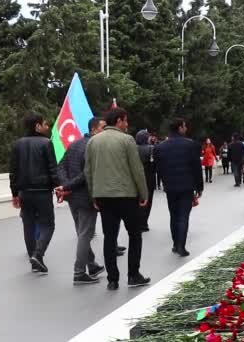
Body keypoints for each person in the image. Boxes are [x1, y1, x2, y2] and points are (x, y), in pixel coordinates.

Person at [85, 107, 150, 290]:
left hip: (103, 196)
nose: (127, 124)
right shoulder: (127, 140)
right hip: (126, 195)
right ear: (119, 121)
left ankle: (112, 280)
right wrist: (143, 194)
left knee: (109, 237)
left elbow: (88, 171)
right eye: (126, 121)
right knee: (134, 235)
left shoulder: (93, 142)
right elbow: (136, 170)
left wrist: (93, 195)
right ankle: (133, 275)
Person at [56, 117, 107, 285]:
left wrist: (64, 185)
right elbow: (87, 174)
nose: (105, 131)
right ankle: (79, 272)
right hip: (86, 196)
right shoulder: (94, 147)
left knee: (81, 231)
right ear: (94, 129)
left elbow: (61, 166)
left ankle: (91, 265)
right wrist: (68, 185)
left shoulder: (74, 144)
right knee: (85, 234)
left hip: (72, 197)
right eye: (103, 127)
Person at [9, 114, 59, 274]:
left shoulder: (18, 144)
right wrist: (58, 187)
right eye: (44, 124)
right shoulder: (46, 143)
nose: (47, 126)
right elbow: (53, 169)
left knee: (28, 226)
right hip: (42, 191)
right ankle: (38, 254)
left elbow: (13, 171)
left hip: (24, 192)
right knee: (48, 225)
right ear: (37, 126)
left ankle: (34, 260)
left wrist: (14, 193)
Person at [154, 118, 204, 257]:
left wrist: (164, 182)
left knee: (174, 215)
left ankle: (176, 244)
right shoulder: (191, 145)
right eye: (184, 126)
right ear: (180, 128)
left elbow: (159, 168)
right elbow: (196, 168)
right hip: (187, 186)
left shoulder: (160, 147)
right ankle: (181, 245)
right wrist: (199, 187)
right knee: (183, 216)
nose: (186, 128)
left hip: (170, 186)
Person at [136, 130, 157, 232]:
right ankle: (144, 223)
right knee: (148, 201)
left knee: (137, 200)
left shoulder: (133, 148)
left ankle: (137, 222)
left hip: (136, 178)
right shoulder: (151, 149)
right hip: (148, 177)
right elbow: (154, 164)